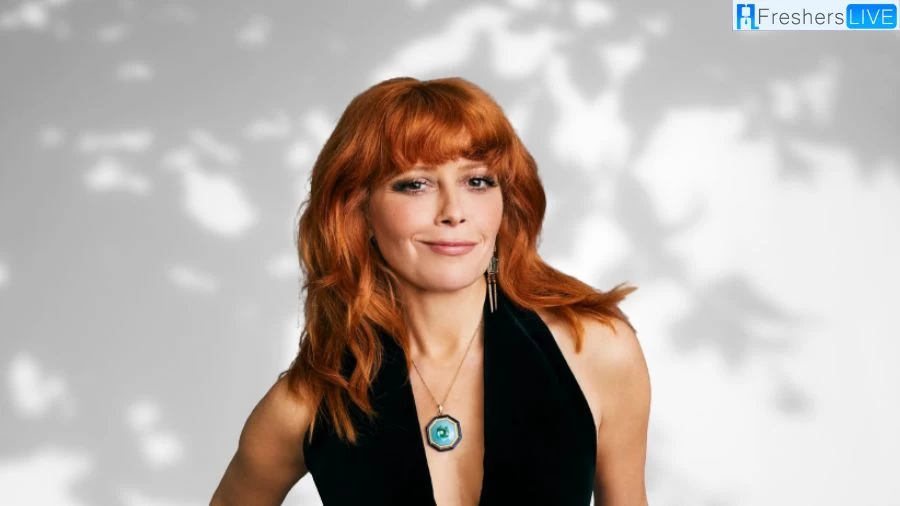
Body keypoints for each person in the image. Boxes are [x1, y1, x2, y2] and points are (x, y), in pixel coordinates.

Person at [210, 76, 651, 506]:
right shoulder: (308, 403)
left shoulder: (595, 350)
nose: (454, 212)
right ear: (358, 211)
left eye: (477, 181)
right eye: (416, 183)